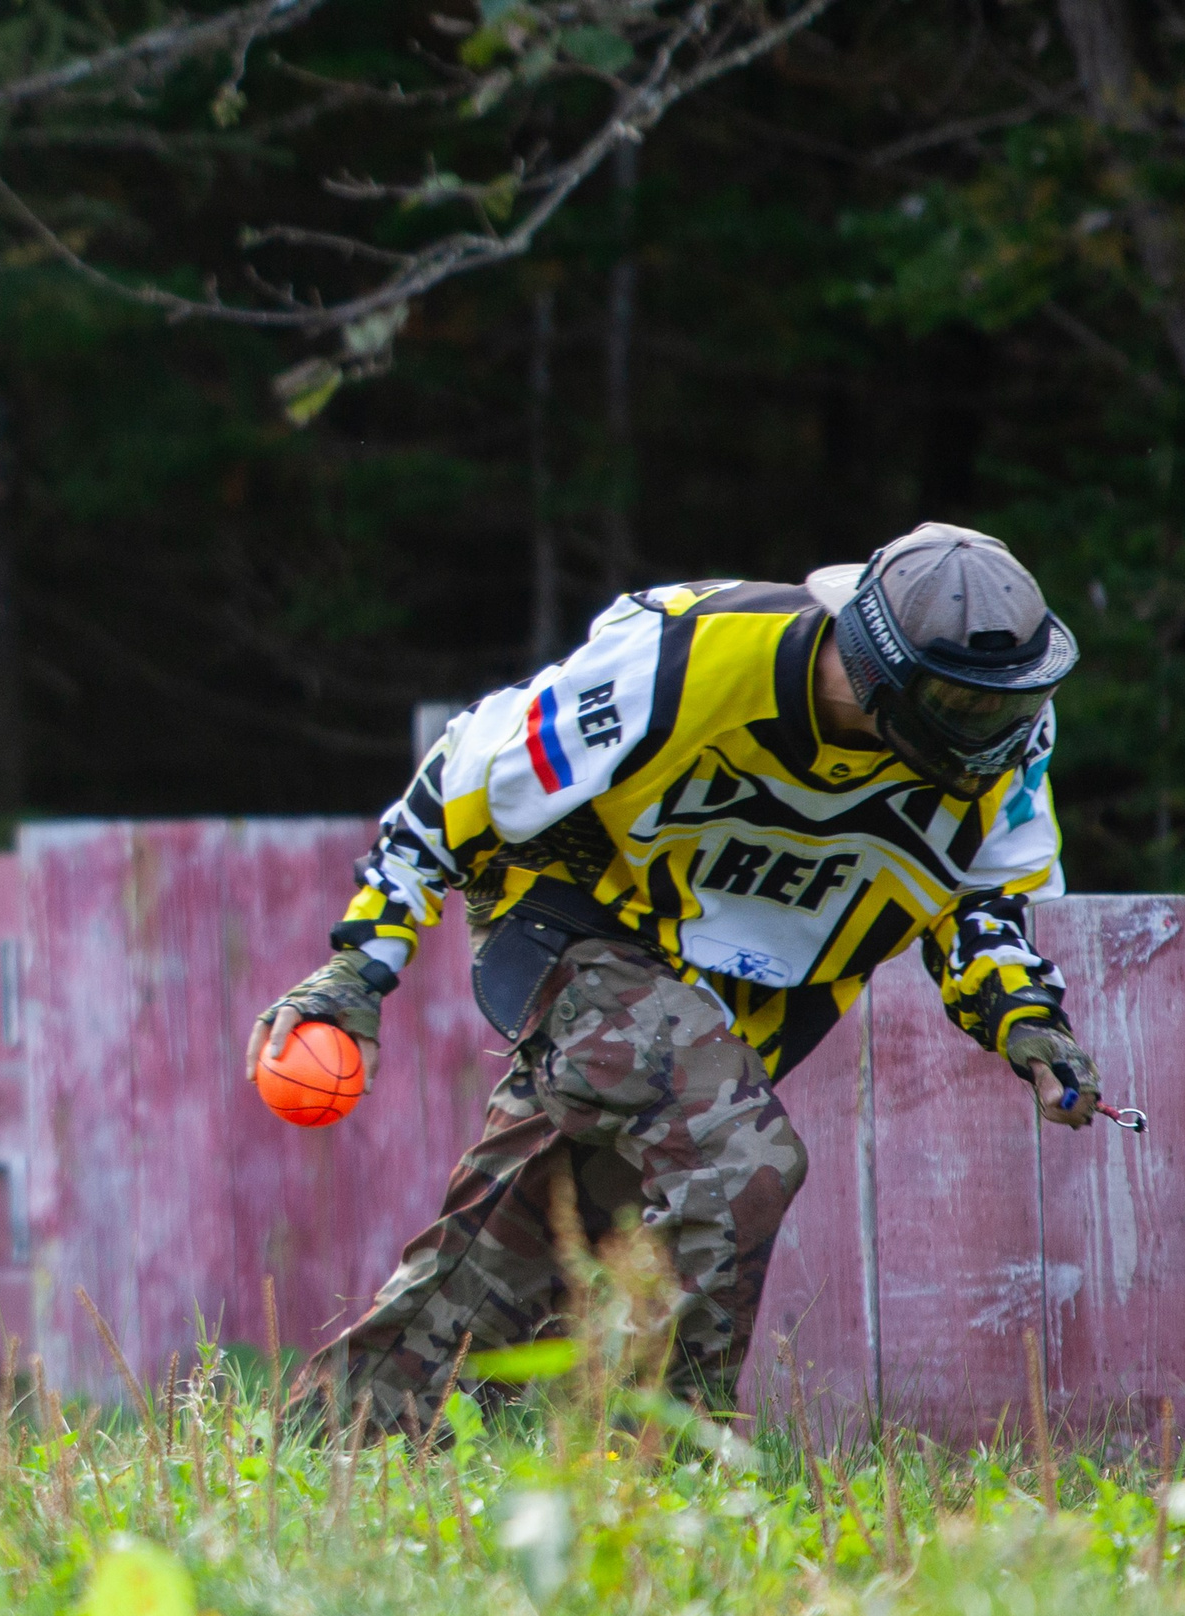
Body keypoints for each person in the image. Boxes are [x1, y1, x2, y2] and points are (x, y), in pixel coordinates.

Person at [250, 522, 1097, 1432]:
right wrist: (359, 967)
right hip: (579, 914)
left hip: (744, 986)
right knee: (745, 1162)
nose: (997, 730)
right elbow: (463, 775)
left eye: (1013, 701)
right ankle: (668, 1458)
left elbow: (981, 906)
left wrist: (1028, 1026)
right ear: (875, 665)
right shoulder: (683, 660)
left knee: (531, 1229)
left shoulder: (1009, 736)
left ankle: (339, 1438)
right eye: (961, 704)